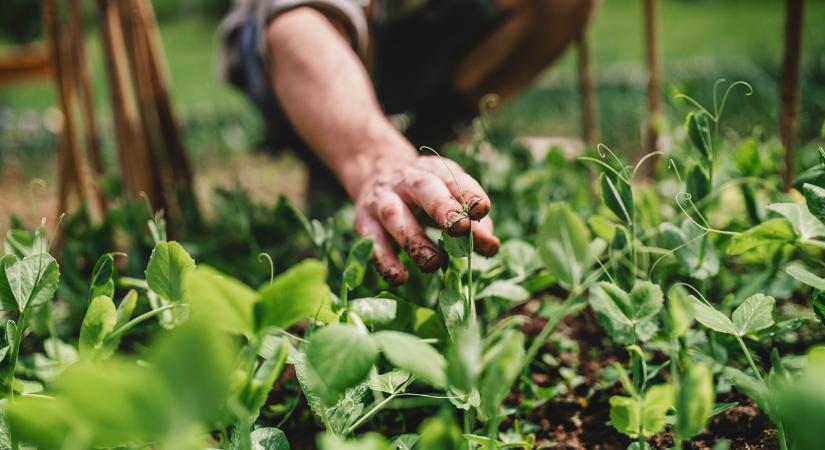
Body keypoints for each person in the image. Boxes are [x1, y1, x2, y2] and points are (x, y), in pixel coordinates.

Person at [219, 0, 595, 285]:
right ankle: (340, 153)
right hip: (288, 45)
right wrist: (377, 160)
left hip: (414, 35)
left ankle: (429, 137)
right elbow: (296, 24)